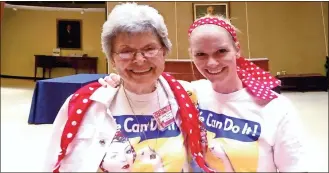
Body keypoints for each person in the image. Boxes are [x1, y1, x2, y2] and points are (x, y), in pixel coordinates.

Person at [99, 14, 308, 172]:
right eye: (201, 54)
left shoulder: (275, 107)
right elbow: (146, 79)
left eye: (221, 51)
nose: (212, 63)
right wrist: (118, 79)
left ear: (237, 49)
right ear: (191, 55)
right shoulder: (189, 92)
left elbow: (296, 166)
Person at [43, 3, 213, 173]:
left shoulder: (187, 96)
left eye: (150, 49)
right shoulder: (85, 105)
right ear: (112, 59)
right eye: (126, 51)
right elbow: (53, 162)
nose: (139, 60)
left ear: (164, 52)